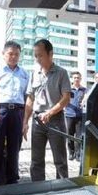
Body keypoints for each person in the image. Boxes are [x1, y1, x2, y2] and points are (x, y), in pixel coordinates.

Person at [23, 39, 71, 181]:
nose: (38, 59)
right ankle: (37, 189)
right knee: (36, 160)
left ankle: (62, 188)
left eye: (41, 55)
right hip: (37, 121)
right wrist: (25, 121)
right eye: (36, 55)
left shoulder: (61, 73)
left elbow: (66, 98)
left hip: (55, 120)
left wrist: (50, 113)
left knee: (60, 160)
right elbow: (30, 98)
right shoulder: (34, 74)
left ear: (50, 54)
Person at [0, 41, 29, 185]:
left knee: (15, 146)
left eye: (17, 54)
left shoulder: (25, 74)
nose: (13, 57)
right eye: (10, 54)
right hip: (0, 110)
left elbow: (27, 97)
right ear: (4, 54)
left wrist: (25, 120)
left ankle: (12, 177)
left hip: (17, 111)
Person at [64, 72, 86, 161]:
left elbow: (86, 99)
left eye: (78, 77)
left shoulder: (84, 90)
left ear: (80, 79)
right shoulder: (68, 89)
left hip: (80, 116)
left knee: (79, 136)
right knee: (69, 135)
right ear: (72, 79)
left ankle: (78, 154)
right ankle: (71, 153)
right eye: (75, 77)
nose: (76, 79)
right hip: (69, 115)